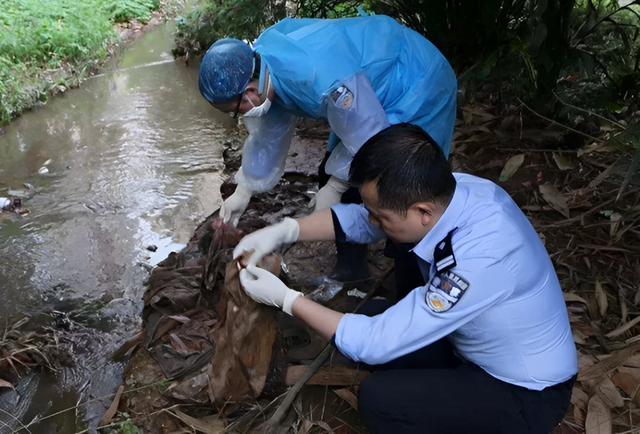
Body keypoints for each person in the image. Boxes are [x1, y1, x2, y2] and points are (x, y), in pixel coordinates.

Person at [234, 123, 578, 433]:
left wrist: (287, 299)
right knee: (366, 318)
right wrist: (284, 230)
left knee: (381, 399)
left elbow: (375, 343)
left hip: (525, 391)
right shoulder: (457, 193)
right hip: (473, 345)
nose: (374, 221)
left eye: (381, 215)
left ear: (423, 212)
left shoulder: (481, 259)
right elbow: (363, 220)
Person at [198, 15, 457, 280]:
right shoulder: (265, 71)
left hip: (413, 82)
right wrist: (245, 188)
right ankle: (352, 268)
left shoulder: (318, 77)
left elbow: (370, 139)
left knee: (402, 187)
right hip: (361, 98)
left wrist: (335, 189)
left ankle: (412, 283)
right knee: (332, 171)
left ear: (251, 90)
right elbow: (269, 132)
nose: (240, 115)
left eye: (237, 108)